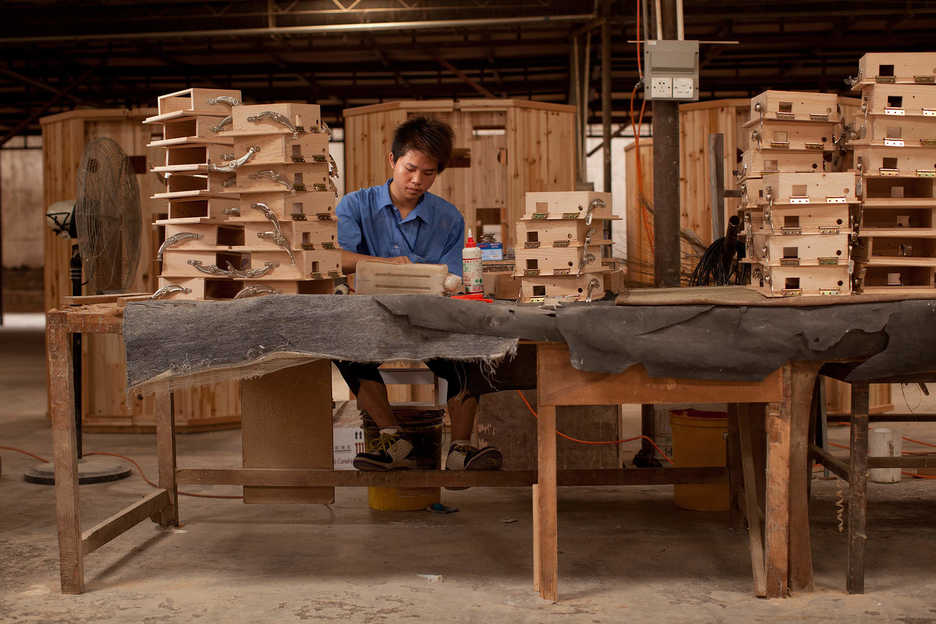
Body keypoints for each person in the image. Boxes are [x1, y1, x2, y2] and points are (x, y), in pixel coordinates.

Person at [336, 116, 503, 473]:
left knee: (469, 356)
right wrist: (385, 264)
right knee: (344, 351)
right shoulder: (354, 205)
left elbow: (452, 279)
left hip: (429, 322)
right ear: (391, 160)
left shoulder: (448, 218)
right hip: (373, 319)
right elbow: (338, 258)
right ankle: (393, 440)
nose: (417, 180)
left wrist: (435, 285)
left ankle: (461, 450)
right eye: (410, 168)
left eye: (428, 173)